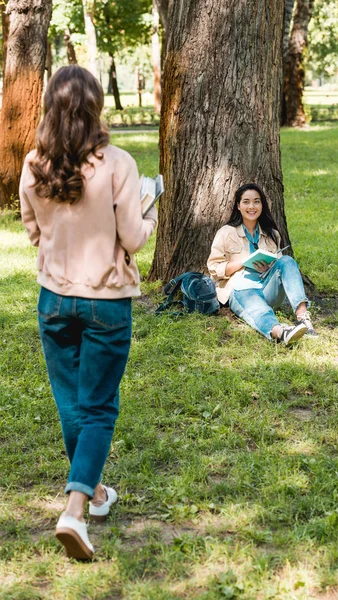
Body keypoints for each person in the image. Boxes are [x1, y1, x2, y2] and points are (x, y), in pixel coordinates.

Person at [20, 65, 157, 560]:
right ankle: (75, 510)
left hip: (54, 299)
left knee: (72, 403)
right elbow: (133, 238)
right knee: (98, 405)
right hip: (106, 300)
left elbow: (33, 231)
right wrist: (151, 210)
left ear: (50, 108)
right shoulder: (118, 163)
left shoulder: (34, 163)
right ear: (96, 105)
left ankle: (95, 494)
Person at [207, 183, 317, 345]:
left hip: (267, 287)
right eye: (246, 202)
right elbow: (215, 269)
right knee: (259, 309)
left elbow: (280, 266)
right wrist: (243, 262)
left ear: (262, 205)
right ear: (238, 206)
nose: (251, 206)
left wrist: (271, 266)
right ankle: (280, 332)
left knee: (286, 260)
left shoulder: (272, 234)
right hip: (241, 290)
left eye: (256, 201)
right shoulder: (226, 232)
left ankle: (304, 320)